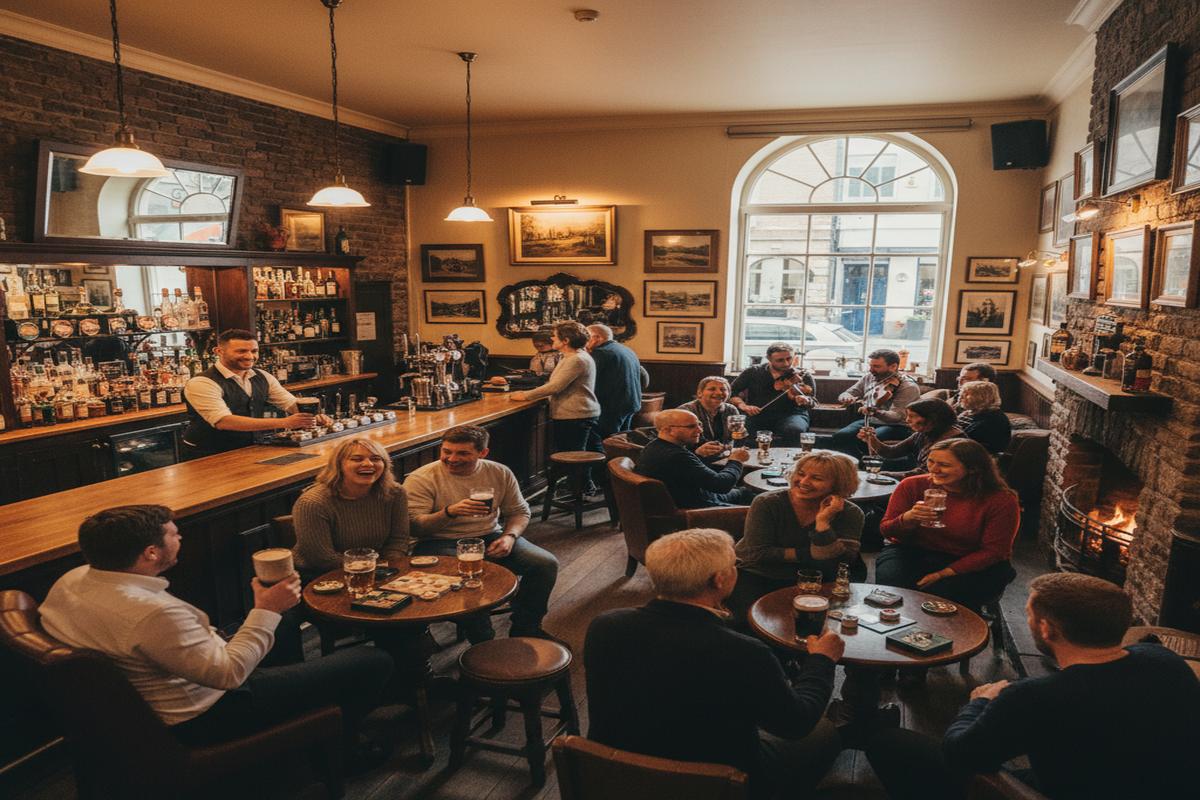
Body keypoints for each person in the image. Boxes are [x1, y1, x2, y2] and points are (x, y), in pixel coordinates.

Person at [38, 505, 392, 764]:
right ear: (151, 552)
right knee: (371, 660)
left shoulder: (73, 579)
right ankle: (342, 750)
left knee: (285, 621)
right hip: (208, 713)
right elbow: (229, 675)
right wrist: (266, 608)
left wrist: (270, 612)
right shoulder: (151, 613)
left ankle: (301, 709)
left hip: (161, 688)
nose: (180, 537)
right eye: (174, 534)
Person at [865, 573, 1199, 800]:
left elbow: (960, 754)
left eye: (1028, 615)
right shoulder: (1164, 660)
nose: (1028, 621)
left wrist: (980, 701)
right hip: (1166, 787)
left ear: (1047, 628)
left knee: (888, 742)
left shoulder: (1036, 696)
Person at [584, 528, 844, 799]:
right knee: (824, 733)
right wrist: (822, 660)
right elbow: (796, 723)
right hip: (715, 784)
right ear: (720, 579)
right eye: (734, 564)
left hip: (614, 774)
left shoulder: (605, 626)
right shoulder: (745, 652)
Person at [403, 425, 559, 641]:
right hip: (437, 541)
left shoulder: (499, 472)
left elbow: (519, 512)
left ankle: (526, 627)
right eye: (447, 451)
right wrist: (449, 513)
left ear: (483, 453)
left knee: (545, 564)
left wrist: (509, 537)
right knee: (470, 580)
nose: (452, 459)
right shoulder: (422, 478)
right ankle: (483, 642)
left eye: (462, 453)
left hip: (489, 535)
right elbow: (414, 527)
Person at [875, 438, 1018, 609]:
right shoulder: (912, 485)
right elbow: (886, 530)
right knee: (892, 585)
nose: (934, 469)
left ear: (972, 468)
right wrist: (907, 518)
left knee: (942, 596)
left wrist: (943, 573)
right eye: (931, 461)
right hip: (912, 551)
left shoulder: (1000, 499)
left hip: (971, 559)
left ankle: (963, 624)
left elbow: (995, 551)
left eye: (944, 465)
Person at [729, 451, 866, 622]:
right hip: (760, 573)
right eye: (800, 473)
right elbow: (757, 554)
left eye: (816, 478)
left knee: (833, 623)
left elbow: (843, 562)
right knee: (753, 621)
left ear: (838, 484)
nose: (803, 481)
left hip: (820, 579)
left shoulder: (851, 513)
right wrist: (815, 553)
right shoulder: (767, 503)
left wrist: (822, 524)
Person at [182, 328, 328, 460]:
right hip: (209, 455)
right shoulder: (202, 382)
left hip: (251, 450)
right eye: (241, 351)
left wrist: (313, 416)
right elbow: (224, 421)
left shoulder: (262, 376)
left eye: (254, 351)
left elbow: (291, 404)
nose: (249, 356)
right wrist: (285, 422)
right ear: (219, 351)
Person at [292, 437, 411, 578]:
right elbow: (322, 558)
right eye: (357, 459)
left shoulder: (395, 493)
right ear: (338, 465)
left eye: (376, 459)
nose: (368, 464)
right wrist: (370, 569)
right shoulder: (312, 503)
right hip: (321, 576)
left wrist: (389, 569)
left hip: (378, 570)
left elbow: (398, 540)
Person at [510, 321, 600, 456]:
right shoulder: (573, 356)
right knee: (577, 455)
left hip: (575, 414)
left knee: (572, 457)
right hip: (579, 413)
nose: (552, 338)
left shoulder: (576, 359)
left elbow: (555, 386)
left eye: (555, 336)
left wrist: (525, 395)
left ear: (566, 341)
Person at [635, 409, 754, 508]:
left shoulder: (654, 446)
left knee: (746, 493)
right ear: (668, 430)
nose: (700, 430)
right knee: (761, 505)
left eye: (699, 424)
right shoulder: (676, 456)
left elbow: (685, 472)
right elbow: (722, 485)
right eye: (691, 426)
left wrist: (698, 455)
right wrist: (736, 460)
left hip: (696, 496)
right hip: (697, 510)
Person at [827, 348, 920, 457]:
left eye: (876, 366)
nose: (871, 370)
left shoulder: (908, 387)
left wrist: (875, 412)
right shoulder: (870, 377)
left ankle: (866, 464)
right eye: (870, 366)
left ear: (893, 366)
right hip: (870, 421)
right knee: (841, 436)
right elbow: (849, 392)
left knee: (869, 440)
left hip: (898, 426)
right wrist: (846, 397)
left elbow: (896, 417)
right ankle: (853, 462)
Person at [728, 342, 815, 445]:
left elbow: (813, 401)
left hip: (792, 414)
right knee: (740, 429)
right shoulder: (753, 372)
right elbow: (731, 392)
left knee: (794, 430)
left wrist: (806, 400)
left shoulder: (803, 375)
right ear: (769, 359)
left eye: (789, 358)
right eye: (780, 360)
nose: (786, 363)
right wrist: (743, 406)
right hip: (758, 414)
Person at [858, 398, 962, 478]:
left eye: (912, 416)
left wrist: (883, 475)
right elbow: (892, 452)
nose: (907, 420)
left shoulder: (950, 441)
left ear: (931, 419)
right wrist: (871, 439)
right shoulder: (925, 432)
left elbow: (925, 474)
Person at [585, 323, 643, 441]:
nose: (584, 341)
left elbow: (587, 377)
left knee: (608, 442)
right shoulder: (627, 349)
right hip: (631, 402)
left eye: (587, 337)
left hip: (611, 406)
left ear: (597, 338)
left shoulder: (602, 353)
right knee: (621, 442)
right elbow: (644, 376)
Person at [677, 375, 740, 446]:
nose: (719, 393)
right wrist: (697, 450)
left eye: (723, 389)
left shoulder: (731, 410)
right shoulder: (685, 411)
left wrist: (740, 433)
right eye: (712, 389)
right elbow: (678, 441)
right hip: (693, 452)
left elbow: (735, 437)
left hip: (726, 451)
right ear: (700, 393)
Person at [957, 380, 1011, 454]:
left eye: (966, 394)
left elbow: (965, 443)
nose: (960, 397)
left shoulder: (993, 420)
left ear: (982, 397)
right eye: (961, 393)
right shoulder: (971, 412)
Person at [923, 362, 996, 410]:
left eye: (967, 379)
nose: (960, 382)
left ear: (984, 382)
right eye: (959, 378)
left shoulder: (990, 406)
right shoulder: (949, 396)